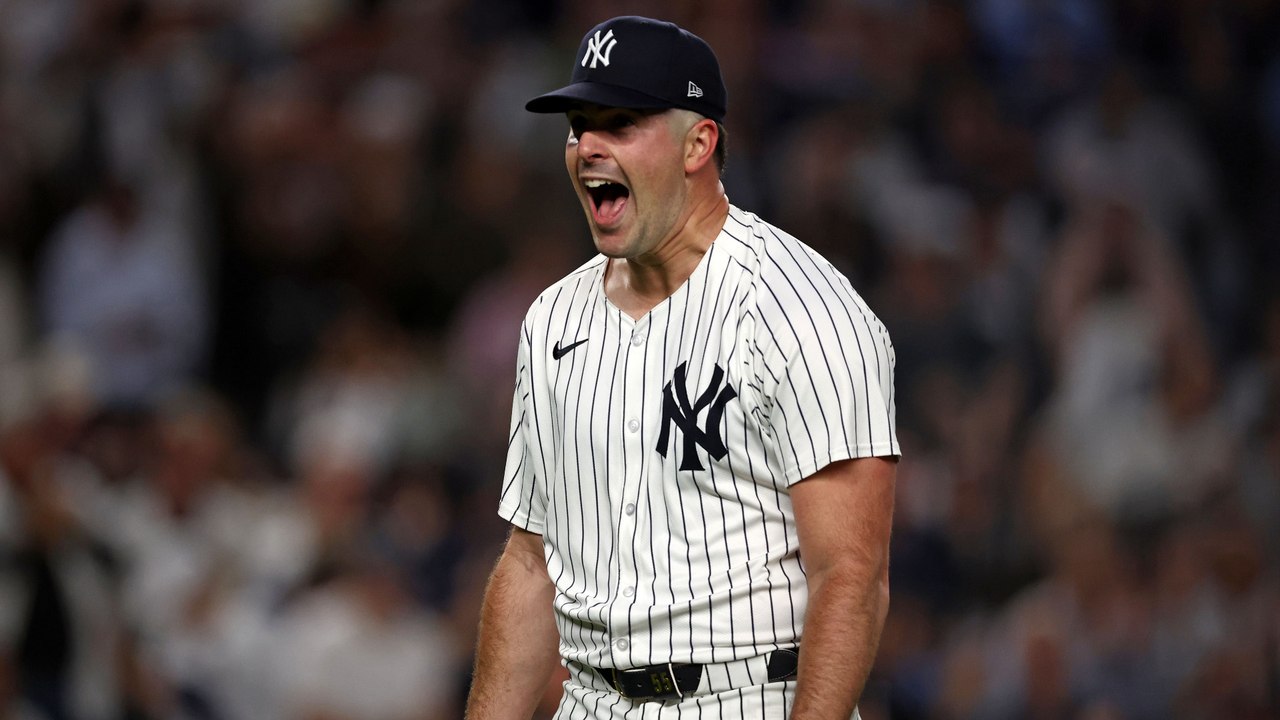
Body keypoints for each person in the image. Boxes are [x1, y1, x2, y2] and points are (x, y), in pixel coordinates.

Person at [465, 16, 899, 720]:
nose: (589, 146)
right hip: (589, 701)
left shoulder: (802, 311)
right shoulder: (553, 319)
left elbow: (850, 576)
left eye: (620, 123)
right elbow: (531, 562)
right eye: (579, 126)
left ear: (699, 143)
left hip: (750, 697)